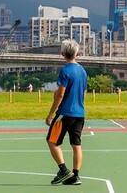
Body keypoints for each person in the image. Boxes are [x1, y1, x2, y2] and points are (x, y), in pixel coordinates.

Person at [46, 39, 87, 186]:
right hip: (80, 113)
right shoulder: (82, 70)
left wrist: (51, 114)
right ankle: (76, 175)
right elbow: (83, 93)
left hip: (65, 113)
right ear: (77, 53)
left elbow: (60, 94)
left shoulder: (65, 71)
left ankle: (63, 169)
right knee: (76, 144)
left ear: (62, 53)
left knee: (52, 141)